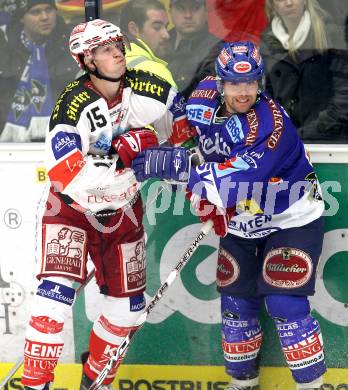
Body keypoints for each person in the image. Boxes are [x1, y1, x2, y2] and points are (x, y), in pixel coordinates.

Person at [131, 42, 327, 390]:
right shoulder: (203, 99)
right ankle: (243, 385)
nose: (244, 92)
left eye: (251, 82)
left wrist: (180, 169)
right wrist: (186, 175)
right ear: (219, 83)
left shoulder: (270, 124)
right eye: (235, 84)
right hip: (240, 222)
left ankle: (311, 387)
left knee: (284, 303)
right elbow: (188, 139)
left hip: (290, 216)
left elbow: (237, 179)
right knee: (236, 306)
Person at [20, 19, 195, 390]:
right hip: (70, 210)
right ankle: (36, 385)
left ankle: (94, 384)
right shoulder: (72, 106)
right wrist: (123, 156)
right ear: (87, 60)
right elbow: (64, 176)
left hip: (124, 213)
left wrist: (177, 166)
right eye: (103, 49)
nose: (117, 52)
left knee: (127, 311)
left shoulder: (154, 91)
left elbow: (183, 141)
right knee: (54, 300)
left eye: (117, 44)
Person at [260, 0, 348, 143]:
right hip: (284, 142)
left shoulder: (331, 34)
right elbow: (266, 98)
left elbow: (344, 99)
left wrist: (301, 135)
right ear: (272, 4)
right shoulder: (266, 42)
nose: (288, 3)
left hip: (329, 144)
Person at [0, 0, 76, 142]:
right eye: (36, 12)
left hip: (64, 137)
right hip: (12, 142)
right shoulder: (5, 47)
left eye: (49, 10)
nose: (45, 17)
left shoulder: (72, 42)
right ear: (21, 17)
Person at [164, 0, 223, 99]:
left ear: (206, 12)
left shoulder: (218, 49)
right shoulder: (159, 42)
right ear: (170, 13)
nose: (188, 15)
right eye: (181, 8)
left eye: (195, 8)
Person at [119, 0, 176, 86]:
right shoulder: (155, 72)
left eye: (166, 27)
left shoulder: (101, 62)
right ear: (134, 29)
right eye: (157, 27)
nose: (166, 35)